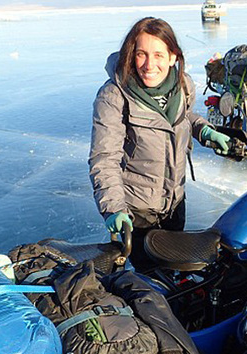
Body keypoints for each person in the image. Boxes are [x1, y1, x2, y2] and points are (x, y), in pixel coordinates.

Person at [88, 17, 231, 268]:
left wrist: (204, 130)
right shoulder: (114, 96)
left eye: (158, 55)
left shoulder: (183, 85)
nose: (149, 64)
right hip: (137, 213)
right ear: (131, 55)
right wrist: (113, 208)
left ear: (173, 57)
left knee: (174, 273)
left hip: (175, 204)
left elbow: (183, 116)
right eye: (141, 54)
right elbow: (104, 158)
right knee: (150, 280)